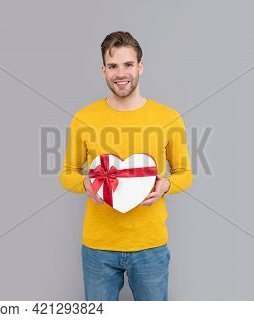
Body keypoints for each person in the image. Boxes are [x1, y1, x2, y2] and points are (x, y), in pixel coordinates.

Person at [59, 31, 193, 301]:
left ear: (140, 66)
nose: (121, 73)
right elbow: (67, 173)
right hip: (98, 247)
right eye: (113, 66)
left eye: (128, 65)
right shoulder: (85, 118)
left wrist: (166, 184)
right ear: (103, 70)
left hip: (150, 245)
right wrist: (84, 183)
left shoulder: (167, 117)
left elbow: (185, 174)